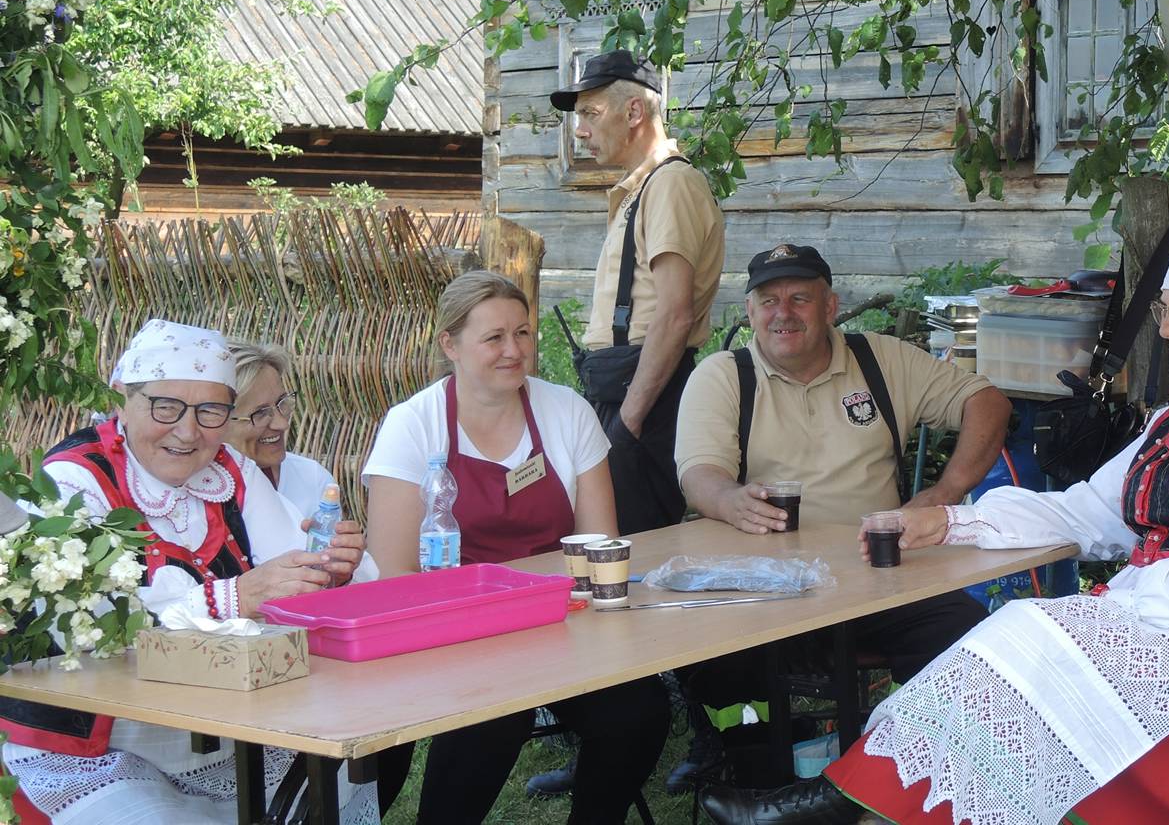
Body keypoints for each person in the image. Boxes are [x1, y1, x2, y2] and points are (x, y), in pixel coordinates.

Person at [701, 237, 1169, 825]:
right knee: (1022, 639)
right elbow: (1086, 512)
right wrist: (950, 520)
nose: (1168, 327)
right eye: (1165, 309)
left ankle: (844, 796)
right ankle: (863, 789)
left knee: (1030, 635)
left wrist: (1117, 607)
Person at [0, 319, 377, 824]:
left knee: (335, 773)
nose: (187, 430)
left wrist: (327, 567)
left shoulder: (228, 471)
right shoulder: (74, 479)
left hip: (218, 728)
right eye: (166, 406)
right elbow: (92, 629)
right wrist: (233, 598)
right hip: (93, 741)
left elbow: (292, 557)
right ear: (122, 399)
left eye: (210, 410)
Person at [673, 244, 1011, 777]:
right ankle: (754, 763)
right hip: (768, 585)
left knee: (968, 639)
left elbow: (986, 401)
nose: (783, 312)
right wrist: (729, 500)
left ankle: (921, 767)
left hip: (876, 576)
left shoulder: (880, 358)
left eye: (800, 298)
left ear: (830, 306)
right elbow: (699, 476)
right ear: (750, 312)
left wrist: (944, 492)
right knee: (707, 651)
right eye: (768, 300)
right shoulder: (723, 374)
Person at [360, 270, 668, 824]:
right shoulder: (412, 426)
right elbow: (395, 576)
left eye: (523, 333)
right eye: (494, 337)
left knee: (639, 712)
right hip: (448, 633)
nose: (514, 350)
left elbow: (597, 549)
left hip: (559, 623)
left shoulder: (565, 411)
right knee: (493, 712)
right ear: (449, 345)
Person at [552, 48, 724, 536]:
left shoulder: (671, 184)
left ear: (633, 112)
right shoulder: (643, 188)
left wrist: (626, 424)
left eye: (590, 113)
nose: (580, 129)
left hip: (645, 393)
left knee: (633, 549)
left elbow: (674, 315)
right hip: (626, 387)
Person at [224, 341, 338, 525]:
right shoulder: (186, 497)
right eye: (260, 413)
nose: (282, 424)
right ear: (217, 420)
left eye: (281, 403)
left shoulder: (311, 479)